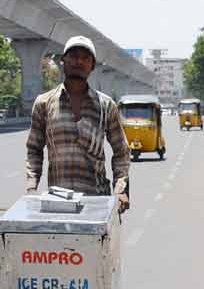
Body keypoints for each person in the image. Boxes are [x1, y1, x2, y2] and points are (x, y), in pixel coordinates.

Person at [25, 36, 131, 212]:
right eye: (73, 56)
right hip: (57, 204)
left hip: (97, 205)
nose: (79, 61)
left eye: (85, 57)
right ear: (63, 61)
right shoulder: (43, 103)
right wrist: (31, 188)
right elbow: (34, 150)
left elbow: (122, 152)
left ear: (92, 66)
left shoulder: (106, 106)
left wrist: (120, 189)